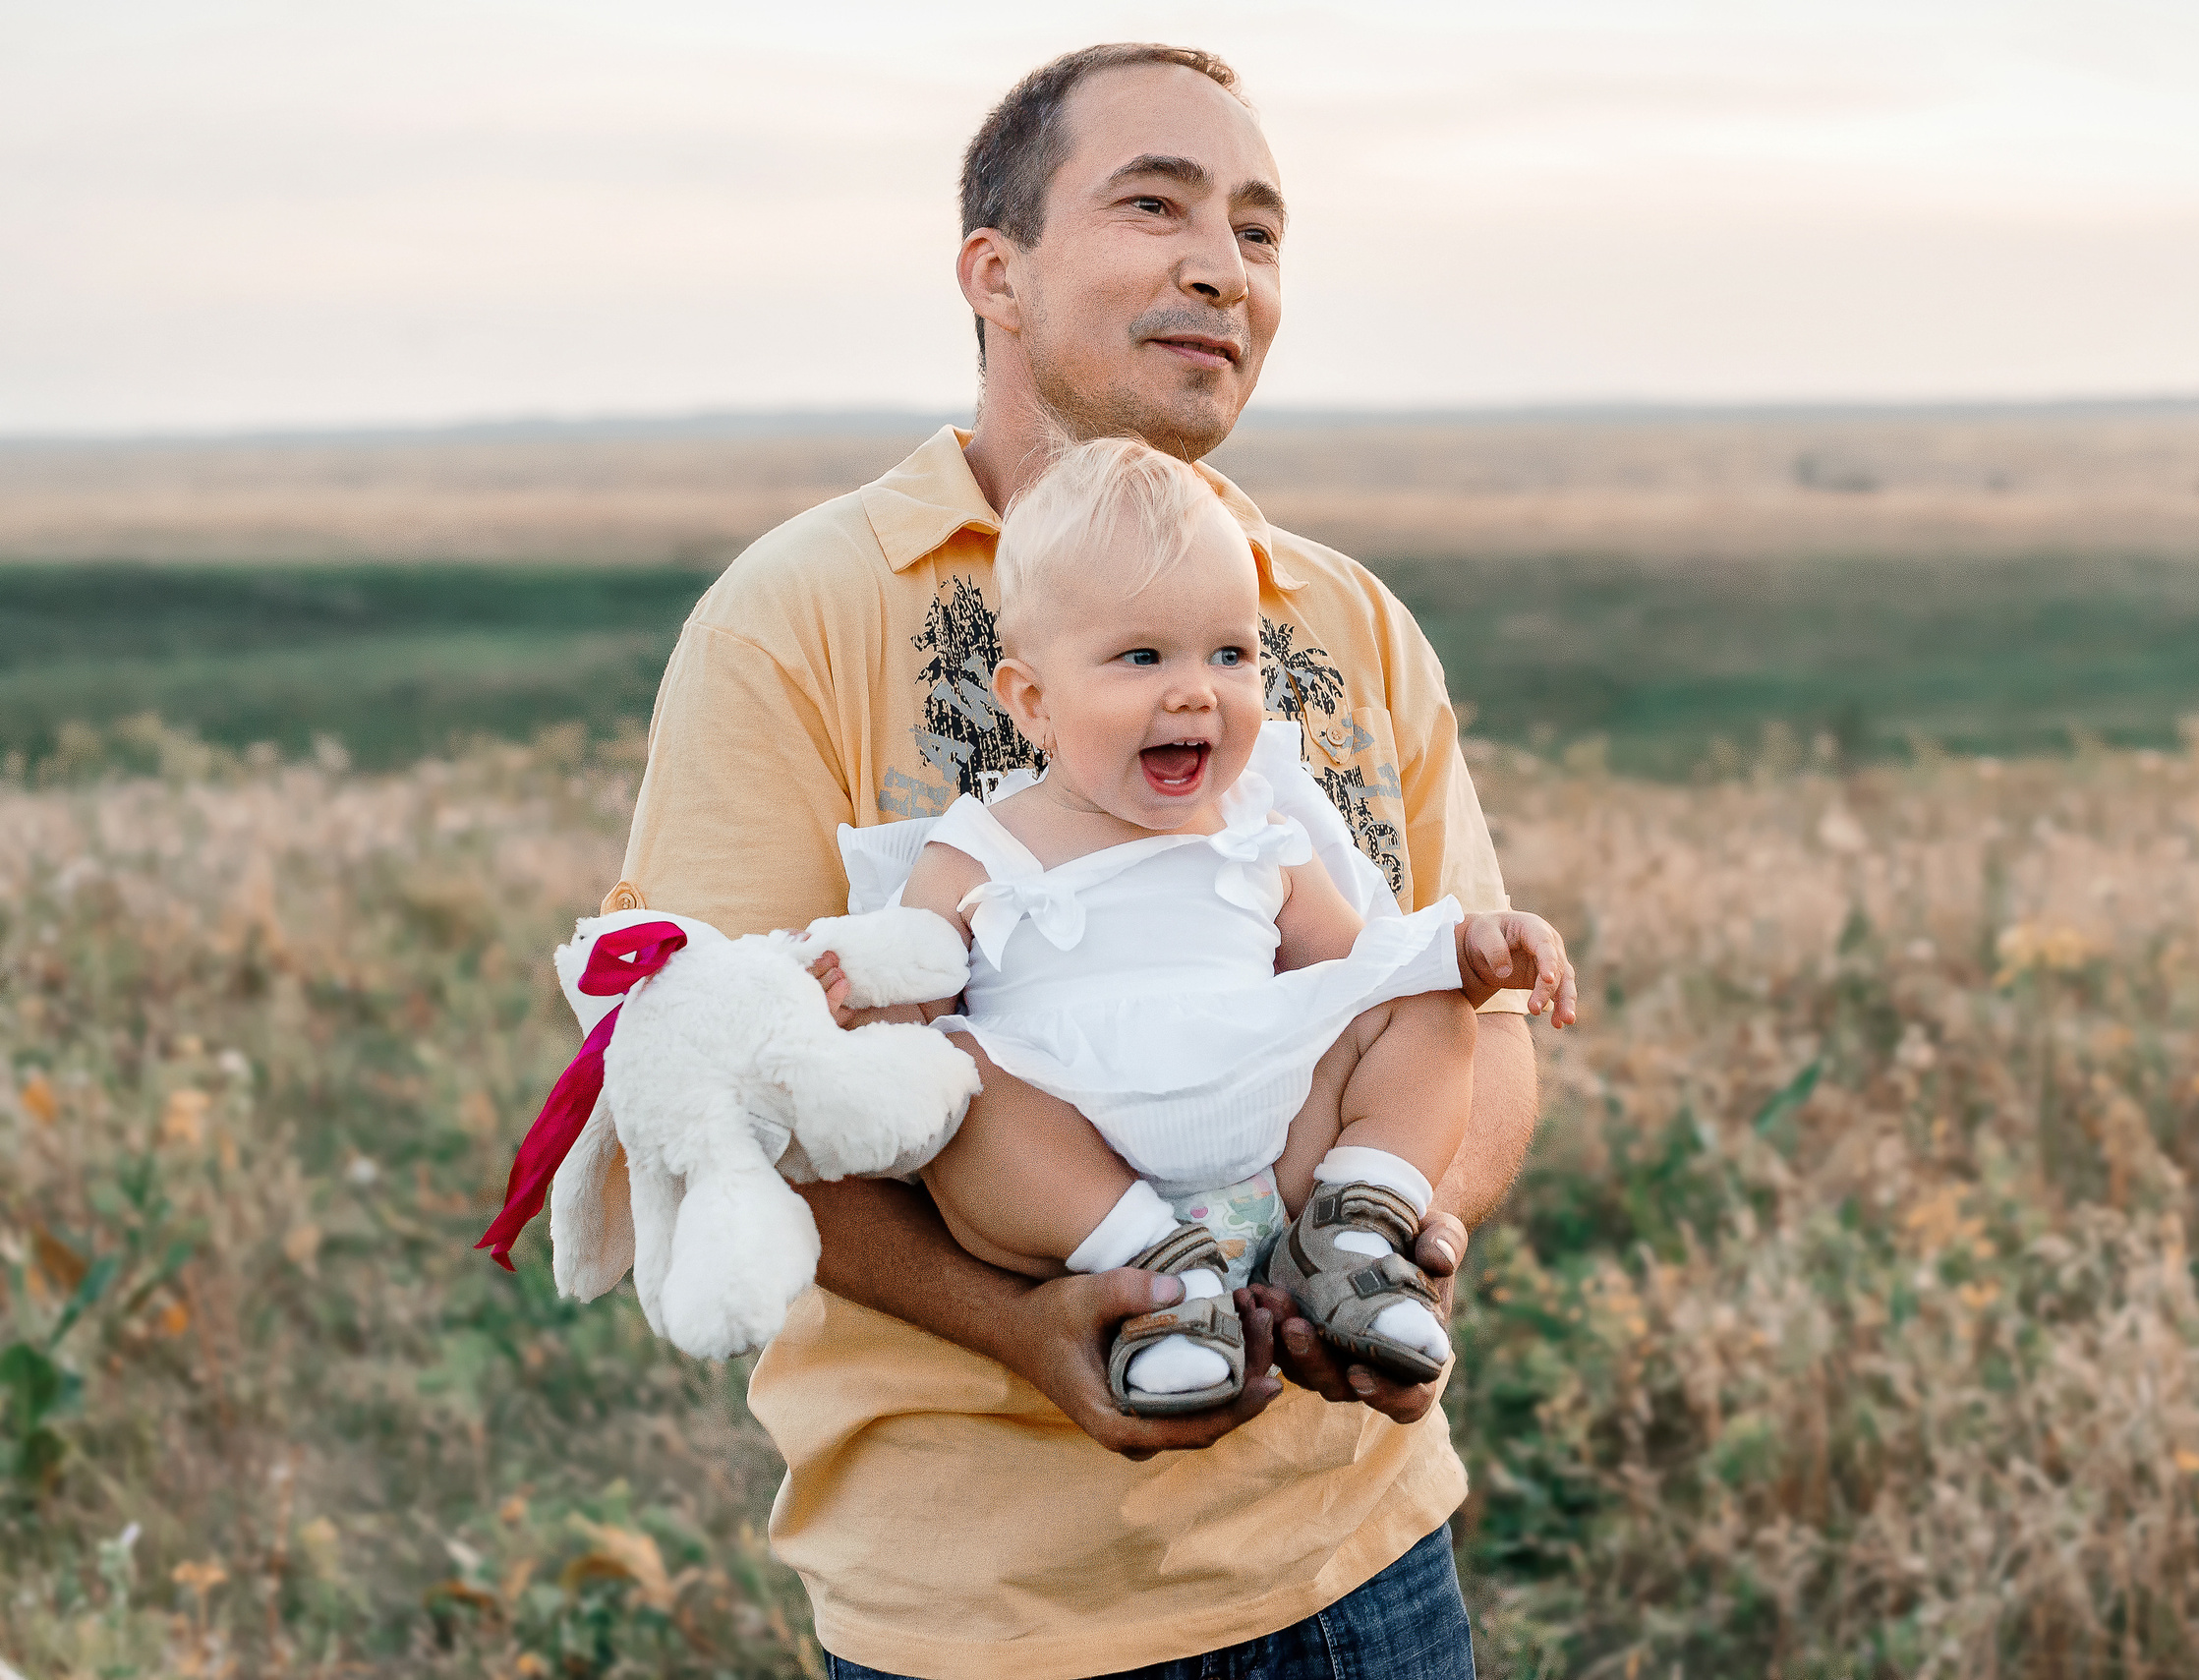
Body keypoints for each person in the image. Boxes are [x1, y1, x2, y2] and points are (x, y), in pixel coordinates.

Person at [598, 40, 1545, 1679]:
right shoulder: (800, 611)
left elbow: (1466, 1013)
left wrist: (1396, 1233)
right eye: (1155, 204)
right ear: (997, 272)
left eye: (1260, 229)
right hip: (988, 1609)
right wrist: (1033, 1329)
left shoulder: (1334, 613)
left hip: (1363, 1556)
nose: (1220, 265)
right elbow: (712, 1070)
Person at [845, 436, 1575, 1418]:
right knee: (954, 1076)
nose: (1194, 688)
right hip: (1079, 1158)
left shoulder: (1258, 832)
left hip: (1269, 1141)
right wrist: (855, 1003)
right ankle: (1165, 1287)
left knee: (1422, 997)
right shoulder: (979, 850)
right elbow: (907, 1008)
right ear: (1033, 701)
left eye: (1229, 653)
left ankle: (1355, 1225)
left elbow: (1355, 974)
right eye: (1140, 655)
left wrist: (1465, 953)